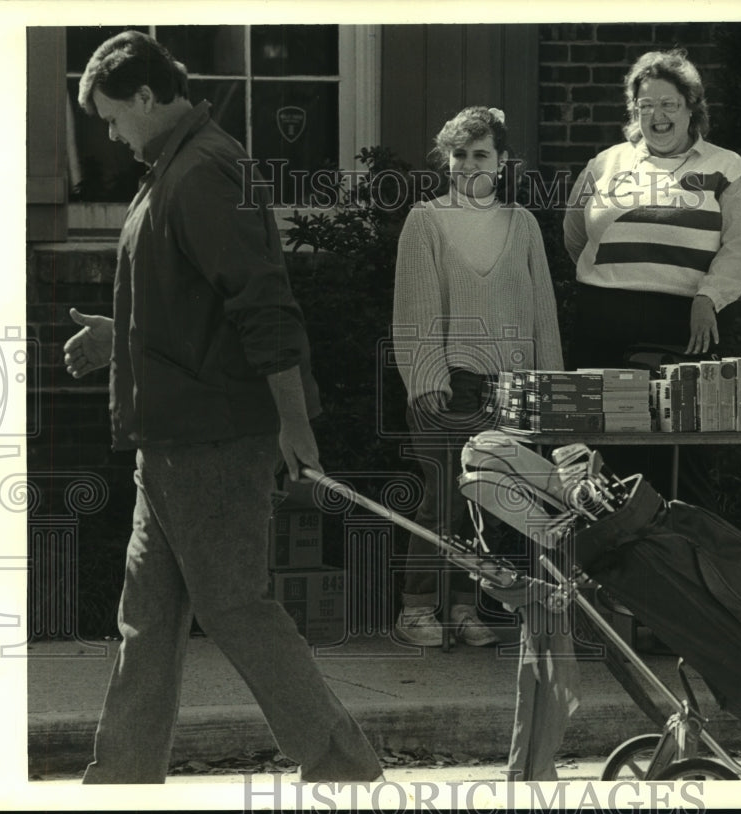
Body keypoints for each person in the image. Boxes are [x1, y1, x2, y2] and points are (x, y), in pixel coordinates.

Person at [62, 31, 382, 784]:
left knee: (236, 604)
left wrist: (293, 425)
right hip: (172, 440)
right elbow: (189, 299)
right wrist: (124, 336)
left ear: (146, 96)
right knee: (148, 621)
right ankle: (124, 774)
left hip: (212, 440)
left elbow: (263, 305)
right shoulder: (176, 164)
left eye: (113, 117)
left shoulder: (203, 170)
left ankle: (342, 761)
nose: (111, 133)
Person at [563, 48, 741, 510]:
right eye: (645, 105)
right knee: (600, 457)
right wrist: (614, 276)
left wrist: (707, 297)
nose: (657, 115)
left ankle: (680, 568)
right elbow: (576, 236)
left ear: (692, 107)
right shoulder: (605, 164)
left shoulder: (727, 168)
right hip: (601, 325)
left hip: (683, 325)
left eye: (669, 104)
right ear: (634, 111)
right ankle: (602, 573)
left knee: (679, 459)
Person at [392, 106, 564, 647]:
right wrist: (427, 382)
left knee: (486, 501)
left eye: (480, 155)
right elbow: (415, 308)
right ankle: (417, 608)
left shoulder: (523, 224)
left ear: (502, 160)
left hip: (511, 390)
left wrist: (553, 389)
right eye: (459, 156)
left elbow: (543, 312)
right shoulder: (426, 220)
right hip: (450, 384)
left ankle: (466, 608)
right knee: (442, 496)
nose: (468, 166)